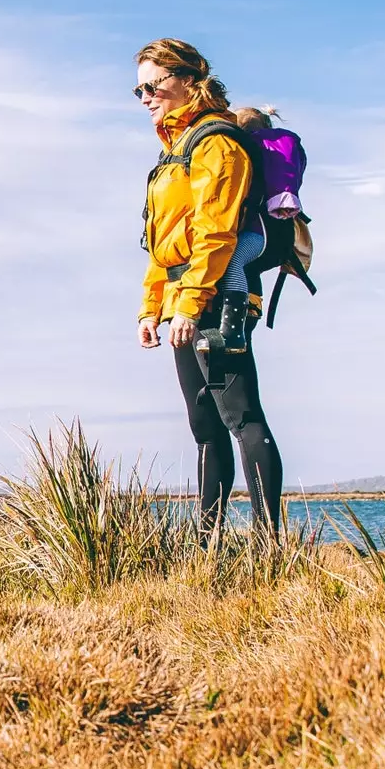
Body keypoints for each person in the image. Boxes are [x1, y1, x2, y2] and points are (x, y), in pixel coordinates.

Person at [134, 39, 283, 535]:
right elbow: (164, 244)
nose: (146, 97)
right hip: (182, 300)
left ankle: (268, 547)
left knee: (242, 418)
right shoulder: (172, 148)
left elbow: (215, 233)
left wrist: (192, 305)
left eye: (153, 85)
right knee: (205, 429)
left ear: (189, 79)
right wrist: (151, 308)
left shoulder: (215, 142)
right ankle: (207, 543)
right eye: (138, 91)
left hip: (216, 296)